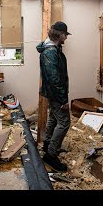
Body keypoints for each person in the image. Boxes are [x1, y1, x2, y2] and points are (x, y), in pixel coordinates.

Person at [36, 21, 71, 172]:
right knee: (64, 122)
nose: (66, 38)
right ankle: (51, 155)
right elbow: (54, 78)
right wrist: (63, 99)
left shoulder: (51, 48)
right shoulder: (50, 52)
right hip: (56, 94)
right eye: (65, 35)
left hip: (52, 93)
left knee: (53, 118)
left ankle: (47, 144)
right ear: (61, 35)